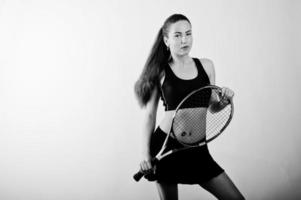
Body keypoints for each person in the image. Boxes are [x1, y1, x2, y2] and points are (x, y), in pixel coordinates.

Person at [134, 14, 245, 200]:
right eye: (177, 35)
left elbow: (211, 107)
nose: (184, 40)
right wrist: (145, 154)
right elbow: (150, 116)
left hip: (198, 151)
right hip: (166, 147)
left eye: (188, 33)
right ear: (166, 40)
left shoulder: (207, 66)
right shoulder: (160, 72)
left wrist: (224, 101)